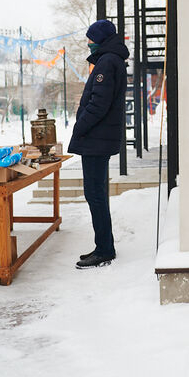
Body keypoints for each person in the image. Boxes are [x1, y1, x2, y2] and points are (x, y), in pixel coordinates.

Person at [67, 19, 130, 269]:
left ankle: (104, 249)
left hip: (96, 139)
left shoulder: (107, 62)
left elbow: (98, 104)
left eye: (91, 38)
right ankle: (103, 245)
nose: (88, 42)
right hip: (99, 138)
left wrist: (80, 126)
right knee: (96, 194)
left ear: (101, 39)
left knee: (95, 194)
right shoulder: (111, 59)